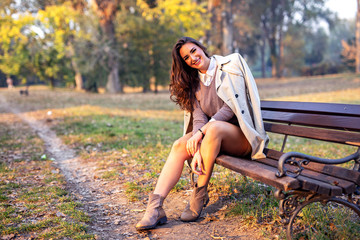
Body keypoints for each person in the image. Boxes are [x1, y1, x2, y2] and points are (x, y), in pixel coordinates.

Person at [135, 37, 269, 230]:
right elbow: (199, 118)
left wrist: (200, 134)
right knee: (179, 145)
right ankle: (155, 208)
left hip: (241, 138)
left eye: (193, 50)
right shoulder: (195, 82)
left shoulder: (229, 66)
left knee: (213, 128)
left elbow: (231, 108)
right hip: (212, 138)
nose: (192, 58)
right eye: (186, 58)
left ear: (201, 48)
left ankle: (198, 194)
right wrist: (198, 142)